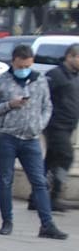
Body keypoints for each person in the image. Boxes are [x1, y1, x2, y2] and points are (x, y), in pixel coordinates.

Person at [0, 43, 65, 240]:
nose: (24, 70)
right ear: (13, 62)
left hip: (31, 138)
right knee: (5, 180)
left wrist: (40, 124)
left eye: (28, 66)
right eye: (21, 67)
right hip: (7, 137)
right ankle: (7, 221)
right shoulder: (1, 81)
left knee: (39, 181)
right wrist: (9, 105)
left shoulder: (39, 81)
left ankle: (47, 224)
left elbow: (47, 106)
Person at [47, 43, 78, 211]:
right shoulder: (56, 75)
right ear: (70, 57)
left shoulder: (75, 76)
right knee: (66, 157)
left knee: (51, 160)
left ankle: (37, 197)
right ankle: (55, 194)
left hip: (68, 126)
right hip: (55, 125)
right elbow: (42, 97)